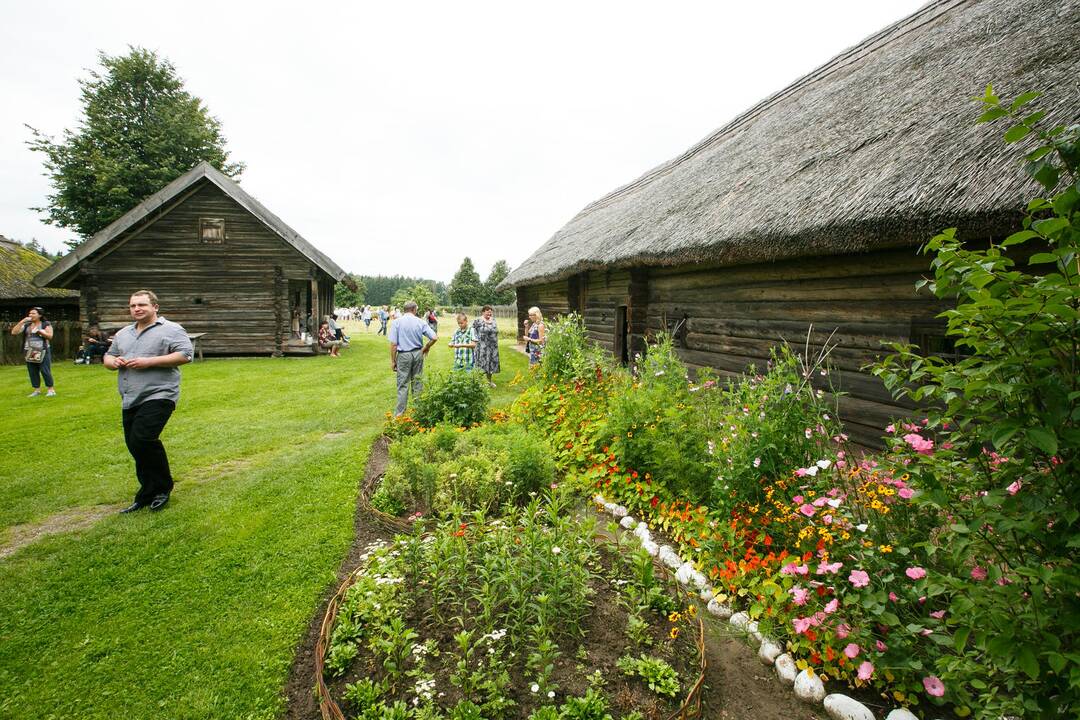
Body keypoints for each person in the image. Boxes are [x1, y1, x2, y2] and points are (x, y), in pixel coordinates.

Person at [104, 290, 193, 513]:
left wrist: (149, 362)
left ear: (155, 307)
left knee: (143, 438)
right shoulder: (123, 333)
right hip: (130, 396)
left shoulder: (171, 329)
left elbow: (185, 355)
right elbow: (108, 355)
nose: (137, 309)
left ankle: (162, 489)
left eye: (142, 305)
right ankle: (147, 492)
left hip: (160, 394)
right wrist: (113, 361)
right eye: (133, 306)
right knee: (135, 444)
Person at [389, 300, 437, 415]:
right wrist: (426, 347)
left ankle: (400, 415)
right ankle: (418, 413)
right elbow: (434, 337)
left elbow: (394, 344)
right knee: (417, 383)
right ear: (414, 309)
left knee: (403, 384)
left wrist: (393, 361)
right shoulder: (420, 322)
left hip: (404, 355)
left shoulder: (397, 322)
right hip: (417, 353)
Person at [11, 306, 56, 397]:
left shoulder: (45, 324)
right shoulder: (27, 325)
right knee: (32, 371)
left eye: (33, 313)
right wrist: (22, 321)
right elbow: (14, 332)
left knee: (45, 370)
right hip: (30, 351)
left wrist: (40, 331)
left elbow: (50, 336)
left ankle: (51, 390)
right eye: (30, 313)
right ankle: (37, 390)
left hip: (43, 350)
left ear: (40, 315)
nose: (31, 315)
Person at [472, 305, 500, 387]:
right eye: (487, 312)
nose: (489, 314)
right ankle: (479, 382)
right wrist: (475, 341)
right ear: (483, 312)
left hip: (493, 347)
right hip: (482, 347)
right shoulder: (478, 321)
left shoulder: (494, 320)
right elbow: (472, 331)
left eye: (490, 312)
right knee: (481, 363)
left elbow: (496, 331)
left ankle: (489, 381)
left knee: (491, 364)